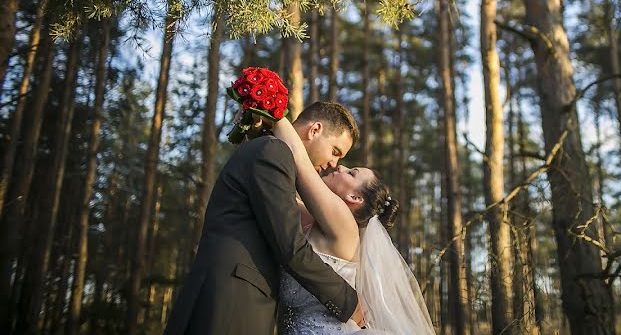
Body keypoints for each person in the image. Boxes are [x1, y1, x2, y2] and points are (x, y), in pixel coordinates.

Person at [164, 102, 366, 334]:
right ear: (315, 130)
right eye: (335, 151)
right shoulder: (274, 152)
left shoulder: (271, 151)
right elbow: (290, 246)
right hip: (231, 300)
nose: (334, 164)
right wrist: (349, 301)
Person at [269, 115, 436, 334]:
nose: (340, 167)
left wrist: (273, 112)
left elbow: (299, 158)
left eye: (351, 173)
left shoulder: (344, 222)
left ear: (355, 199)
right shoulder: (322, 222)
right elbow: (283, 197)